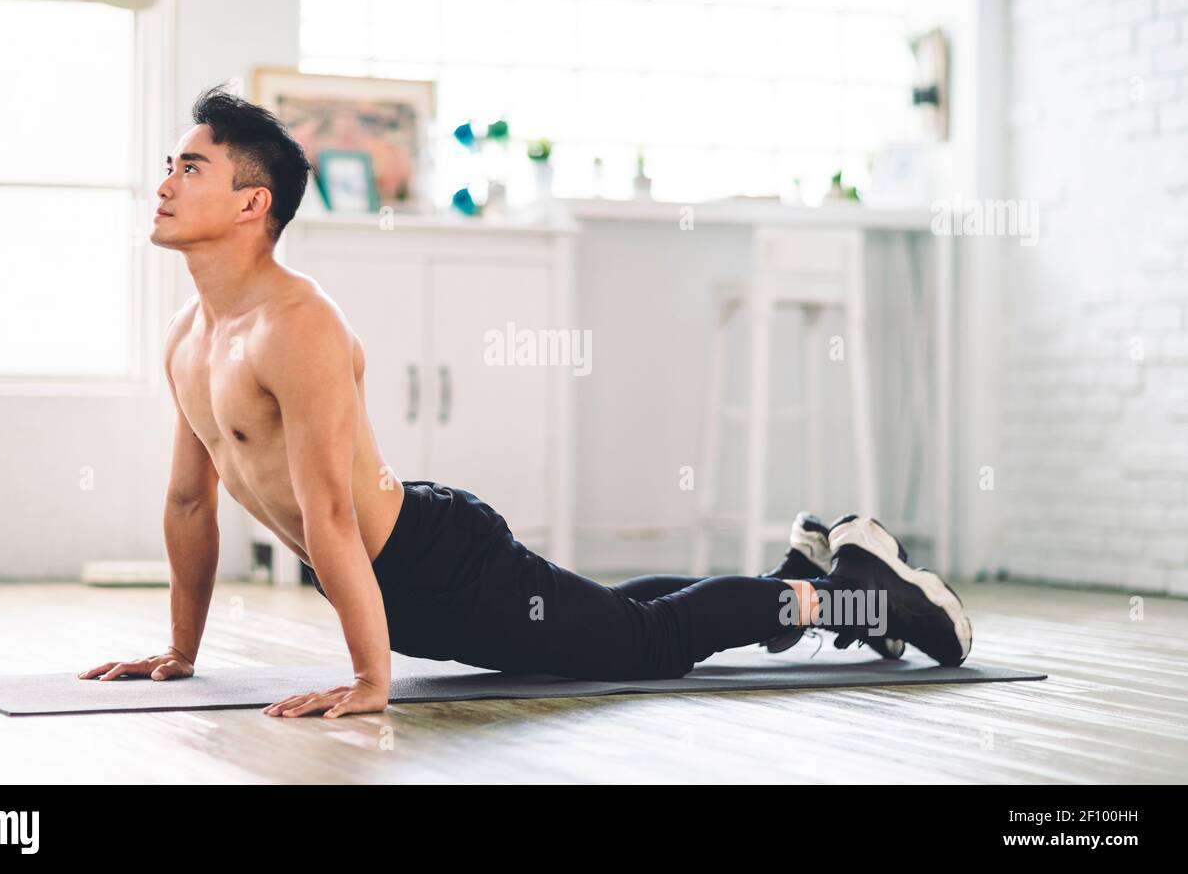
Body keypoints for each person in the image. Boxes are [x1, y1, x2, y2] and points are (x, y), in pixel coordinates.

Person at [79, 86, 972, 718]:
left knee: (653, 649)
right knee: (620, 620)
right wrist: (181, 653)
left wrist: (368, 679)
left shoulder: (297, 325)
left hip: (438, 569)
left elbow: (329, 517)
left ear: (251, 202)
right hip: (406, 579)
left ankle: (867, 599)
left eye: (189, 167)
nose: (164, 182)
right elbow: (190, 501)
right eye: (169, 164)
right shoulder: (188, 335)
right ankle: (802, 578)